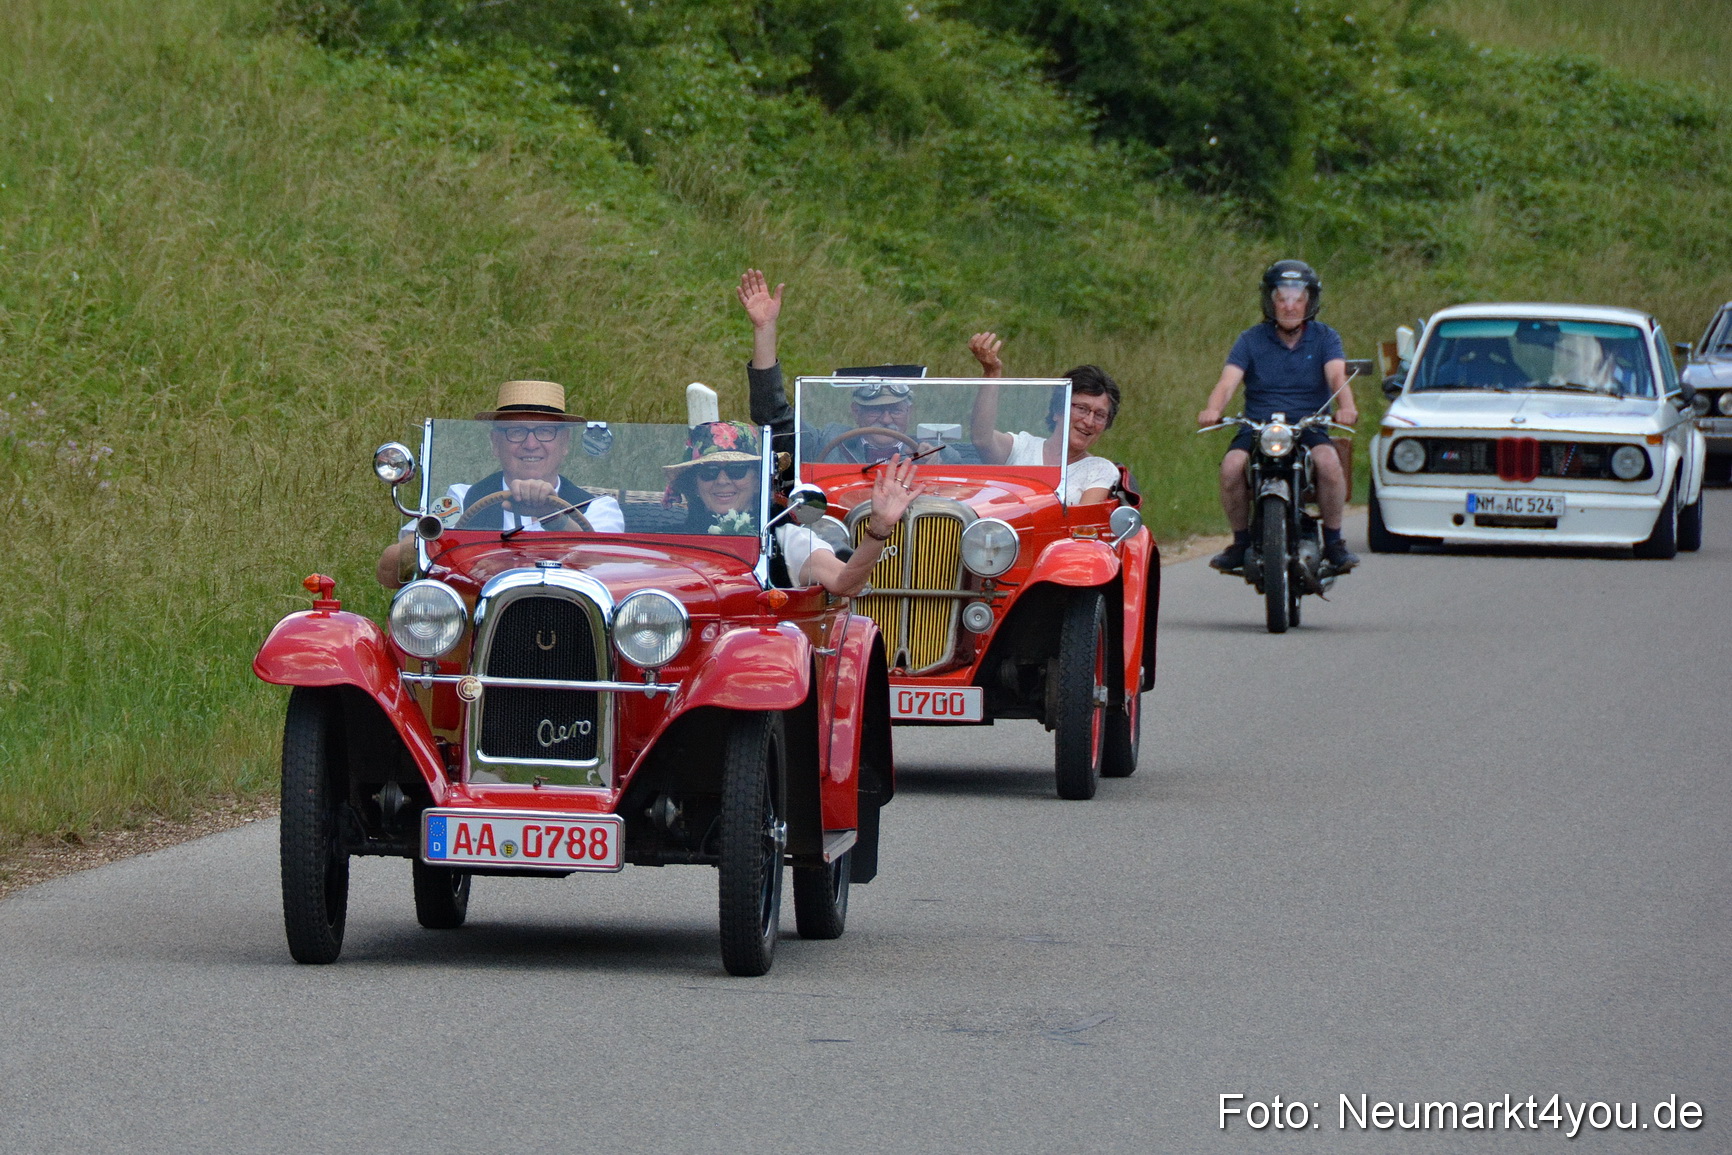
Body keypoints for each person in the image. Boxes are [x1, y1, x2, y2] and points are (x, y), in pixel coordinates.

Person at [375, 380, 625, 588]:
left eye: (545, 431)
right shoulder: (463, 498)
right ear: (495, 443)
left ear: (565, 443)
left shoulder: (599, 508)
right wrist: (433, 544)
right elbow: (390, 572)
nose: (530, 444)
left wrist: (555, 517)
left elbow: (608, 572)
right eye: (515, 432)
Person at [1197, 260, 1359, 572]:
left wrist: (1346, 407)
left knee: (1329, 463)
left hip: (1307, 424)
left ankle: (1335, 541)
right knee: (1231, 467)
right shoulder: (1250, 339)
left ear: (1309, 301)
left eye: (1298, 299)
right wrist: (1213, 410)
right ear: (1270, 301)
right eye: (1282, 298)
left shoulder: (1326, 338)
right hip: (1258, 425)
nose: (1290, 306)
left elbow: (1337, 376)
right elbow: (1227, 382)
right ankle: (1240, 541)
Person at [664, 419, 926, 595]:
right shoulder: (668, 544)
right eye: (709, 472)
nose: (723, 481)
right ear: (694, 484)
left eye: (737, 469)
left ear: (758, 481)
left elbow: (845, 583)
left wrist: (878, 528)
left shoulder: (786, 539)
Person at [737, 268, 947, 465]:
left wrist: (934, 468)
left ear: (910, 412)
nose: (885, 419)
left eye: (895, 410)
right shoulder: (825, 443)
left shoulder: (935, 452)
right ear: (856, 412)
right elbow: (772, 415)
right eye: (874, 410)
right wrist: (765, 328)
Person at [966, 332, 1120, 504]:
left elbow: (1082, 522)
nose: (1089, 422)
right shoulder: (1022, 447)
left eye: (1100, 415)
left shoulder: (1100, 469)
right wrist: (992, 373)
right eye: (1082, 409)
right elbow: (981, 439)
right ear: (1057, 411)